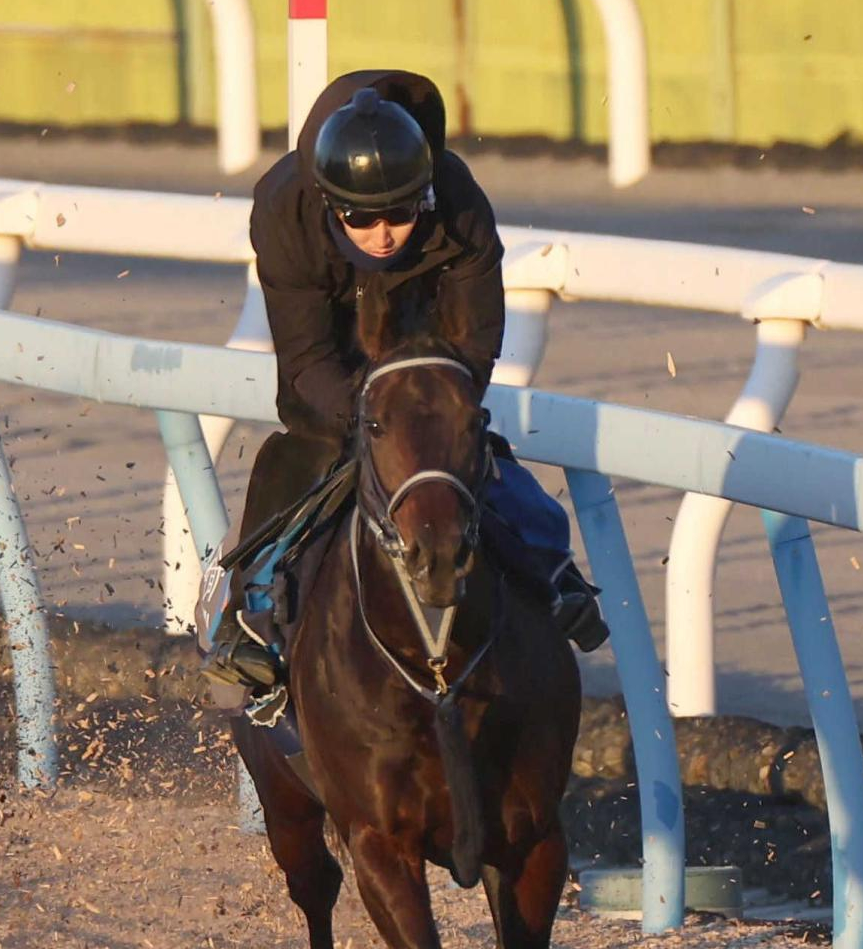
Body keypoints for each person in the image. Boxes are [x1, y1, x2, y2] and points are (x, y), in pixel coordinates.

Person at [203, 69, 607, 709]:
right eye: (362, 217)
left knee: (466, 457)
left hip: (427, 343)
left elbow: (476, 337)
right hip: (330, 357)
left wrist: (430, 410)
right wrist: (369, 417)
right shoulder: (285, 208)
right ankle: (252, 620)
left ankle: (556, 575)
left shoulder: (460, 203)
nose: (385, 233)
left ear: (424, 193)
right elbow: (307, 356)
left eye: (400, 212)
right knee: (296, 455)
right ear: (332, 204)